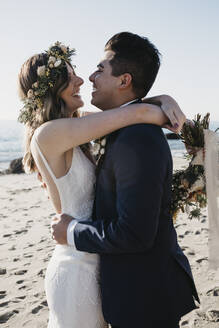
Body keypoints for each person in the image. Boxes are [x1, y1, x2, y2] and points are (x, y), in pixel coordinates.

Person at [18, 40, 184, 328]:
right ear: (50, 88)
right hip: (76, 262)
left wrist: (164, 98)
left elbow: (129, 110)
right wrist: (165, 105)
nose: (81, 79)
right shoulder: (48, 134)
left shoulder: (75, 124)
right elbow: (136, 113)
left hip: (100, 259)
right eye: (69, 77)